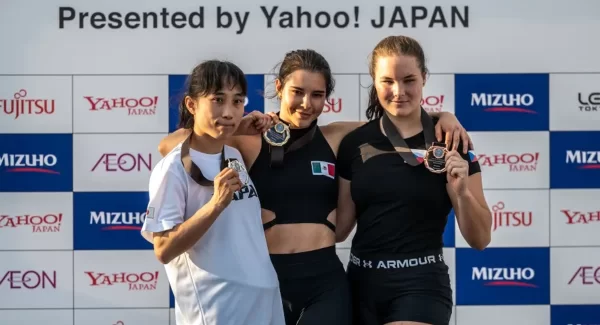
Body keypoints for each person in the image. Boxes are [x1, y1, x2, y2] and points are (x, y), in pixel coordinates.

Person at [157, 49, 472, 325]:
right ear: (279, 88)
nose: (306, 104)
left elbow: (396, 122)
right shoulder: (248, 139)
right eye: (297, 91)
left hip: (325, 282)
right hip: (266, 278)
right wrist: (238, 125)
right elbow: (169, 145)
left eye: (317, 95)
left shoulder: (335, 138)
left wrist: (441, 115)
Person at [335, 35, 493, 325]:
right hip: (360, 283)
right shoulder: (354, 143)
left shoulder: (453, 142)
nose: (399, 91)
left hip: (421, 284)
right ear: (374, 81)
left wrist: (462, 193)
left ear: (424, 78)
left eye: (409, 80)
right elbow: (340, 228)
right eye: (388, 81)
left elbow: (480, 239)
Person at [141, 60, 285, 325]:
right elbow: (163, 249)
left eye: (237, 101)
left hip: (264, 302)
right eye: (217, 100)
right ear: (192, 105)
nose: (229, 112)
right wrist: (215, 205)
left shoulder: (233, 155)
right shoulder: (172, 169)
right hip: (217, 310)